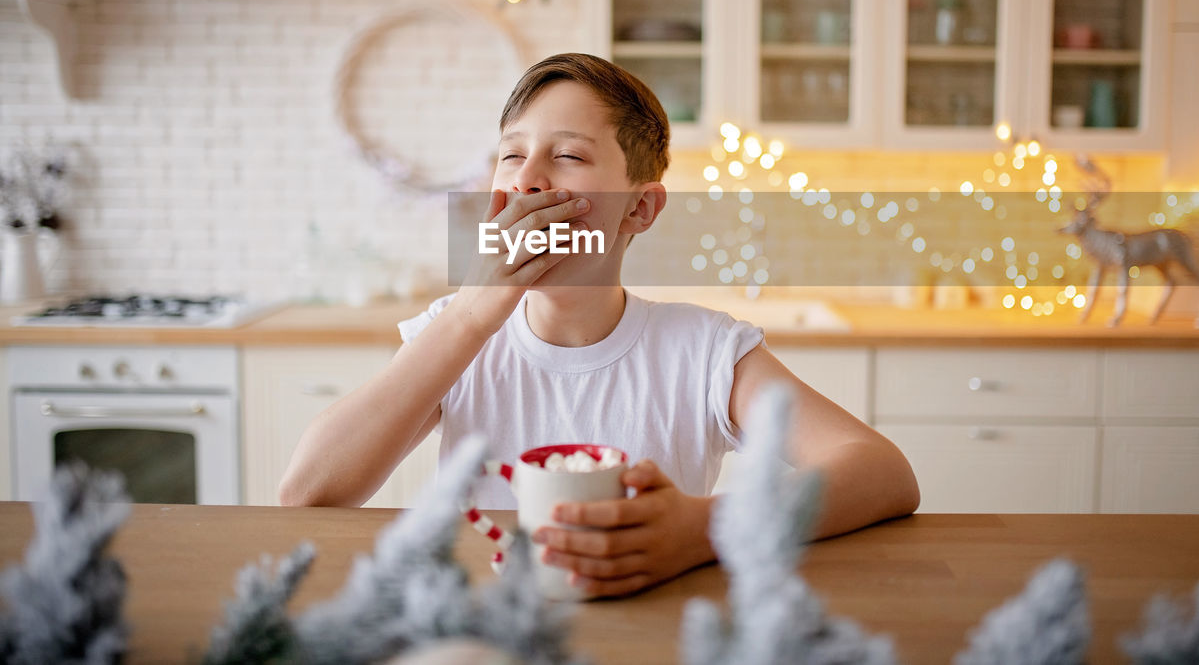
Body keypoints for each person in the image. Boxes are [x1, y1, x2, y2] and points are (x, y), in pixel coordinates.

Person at [279, 53, 919, 597]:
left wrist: (701, 529)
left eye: (567, 156)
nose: (529, 178)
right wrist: (474, 311)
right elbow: (308, 494)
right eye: (511, 155)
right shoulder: (456, 338)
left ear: (638, 207)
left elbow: (882, 472)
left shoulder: (705, 353)